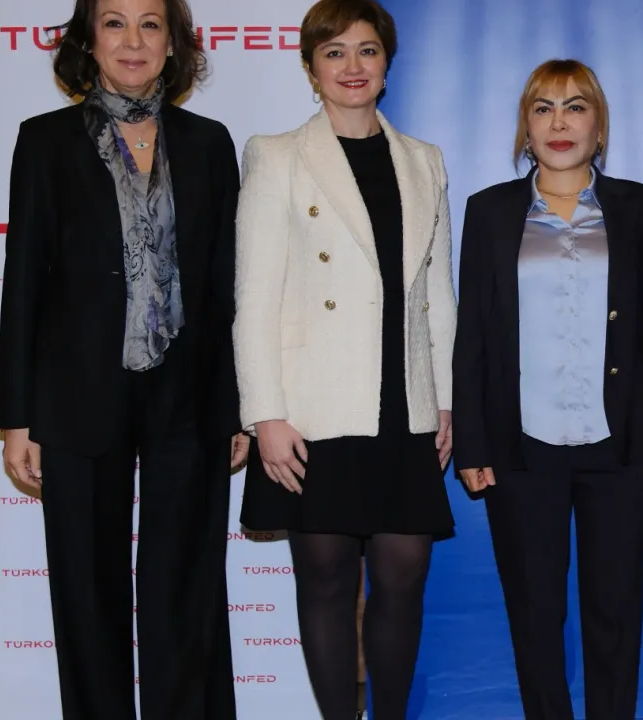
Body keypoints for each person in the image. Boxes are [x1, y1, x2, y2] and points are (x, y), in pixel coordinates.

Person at [0, 0, 245, 717]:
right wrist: (17, 417)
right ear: (89, 40)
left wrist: (237, 404)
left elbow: (227, 284)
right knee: (86, 586)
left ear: (172, 43)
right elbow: (24, 281)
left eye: (150, 24)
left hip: (189, 394)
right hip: (77, 392)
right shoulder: (43, 141)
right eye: (114, 22)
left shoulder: (209, 143)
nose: (133, 40)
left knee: (184, 586)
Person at [231, 0, 456, 716]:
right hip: (312, 410)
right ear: (310, 68)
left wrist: (445, 400)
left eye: (367, 50)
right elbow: (254, 296)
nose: (352, 66)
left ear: (387, 63)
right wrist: (264, 414)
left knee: (403, 578)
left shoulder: (424, 160)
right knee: (325, 582)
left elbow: (437, 295)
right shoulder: (275, 154)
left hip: (404, 405)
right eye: (334, 52)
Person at [452, 59, 643, 720]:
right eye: (544, 108)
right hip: (520, 446)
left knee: (616, 611)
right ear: (526, 129)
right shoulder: (489, 211)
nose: (560, 122)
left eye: (576, 106)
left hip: (620, 445)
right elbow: (472, 334)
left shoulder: (638, 207)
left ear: (599, 126)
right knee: (534, 614)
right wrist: (472, 441)